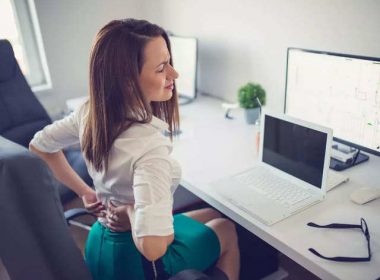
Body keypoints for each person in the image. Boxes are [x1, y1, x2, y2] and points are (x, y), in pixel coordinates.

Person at [29, 18, 240, 280]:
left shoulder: (91, 112)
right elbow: (153, 248)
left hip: (99, 241)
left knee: (210, 213)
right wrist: (131, 212)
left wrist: (86, 192)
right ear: (128, 81)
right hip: (135, 259)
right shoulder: (148, 150)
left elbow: (39, 146)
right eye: (162, 68)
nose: (174, 74)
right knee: (226, 228)